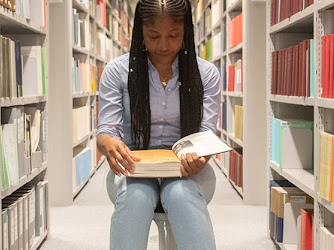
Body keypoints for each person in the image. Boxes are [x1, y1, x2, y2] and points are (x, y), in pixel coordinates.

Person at [97, 0, 220, 248]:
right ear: (140, 31)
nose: (163, 46)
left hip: (188, 168)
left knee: (180, 194)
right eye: (153, 36)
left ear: (186, 31)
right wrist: (108, 142)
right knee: (136, 196)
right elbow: (107, 130)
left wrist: (201, 156)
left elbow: (207, 132)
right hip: (134, 165)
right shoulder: (116, 72)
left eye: (173, 35)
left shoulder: (206, 74)